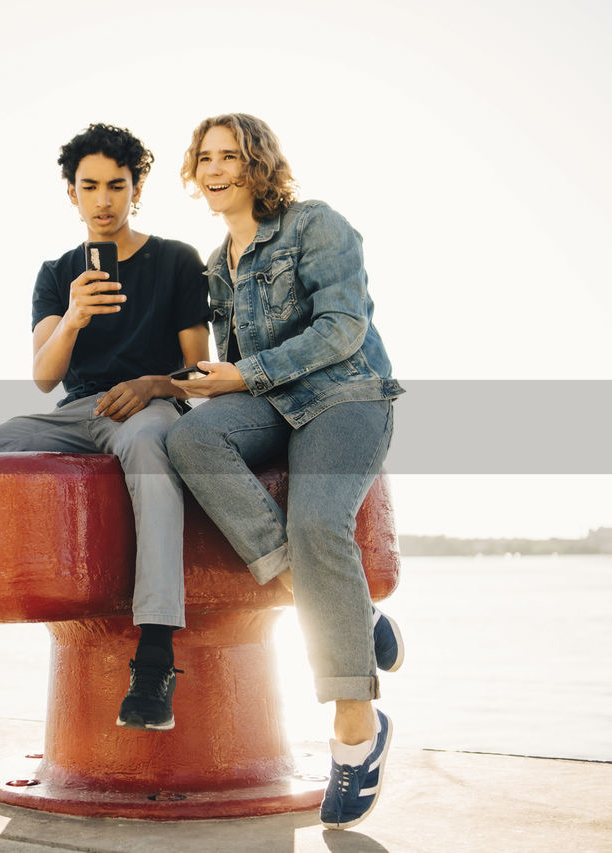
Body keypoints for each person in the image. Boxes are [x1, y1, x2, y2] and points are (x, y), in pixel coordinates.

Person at [0, 123, 210, 735]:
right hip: (76, 411)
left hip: (148, 405)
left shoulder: (177, 260)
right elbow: (44, 378)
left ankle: (155, 655)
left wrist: (155, 385)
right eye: (90, 186)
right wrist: (73, 317)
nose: (104, 200)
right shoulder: (55, 273)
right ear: (71, 194)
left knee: (149, 453)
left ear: (137, 189)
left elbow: (195, 369)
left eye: (117, 186)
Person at [165, 113, 406, 830]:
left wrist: (245, 373)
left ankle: (358, 735)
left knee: (316, 522)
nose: (213, 169)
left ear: (259, 163)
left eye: (229, 156)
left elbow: (342, 328)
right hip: (267, 401)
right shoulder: (217, 264)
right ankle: (345, 607)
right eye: (203, 157)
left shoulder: (316, 225)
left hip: (345, 395)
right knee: (191, 441)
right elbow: (224, 361)